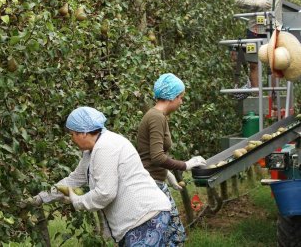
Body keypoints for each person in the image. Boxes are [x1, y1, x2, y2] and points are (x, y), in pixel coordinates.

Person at [28, 106, 175, 246]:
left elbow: (105, 193)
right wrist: (40, 198)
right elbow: (73, 180)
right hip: (139, 219)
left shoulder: (105, 147)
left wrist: (77, 200)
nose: (72, 139)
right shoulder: (93, 150)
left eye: (73, 134)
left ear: (83, 132)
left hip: (145, 217)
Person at [137, 73, 207, 246]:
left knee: (170, 234)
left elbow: (151, 154)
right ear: (172, 97)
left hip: (155, 181)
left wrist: (168, 176)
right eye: (180, 98)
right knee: (173, 236)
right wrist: (186, 165)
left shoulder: (157, 116)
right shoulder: (156, 117)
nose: (181, 102)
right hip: (151, 185)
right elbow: (157, 156)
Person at [235, 0, 301, 88]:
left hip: (275, 29)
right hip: (255, 28)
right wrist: (258, 3)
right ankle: (256, 96)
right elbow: (239, 1)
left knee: (276, 63)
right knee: (254, 64)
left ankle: (274, 100)